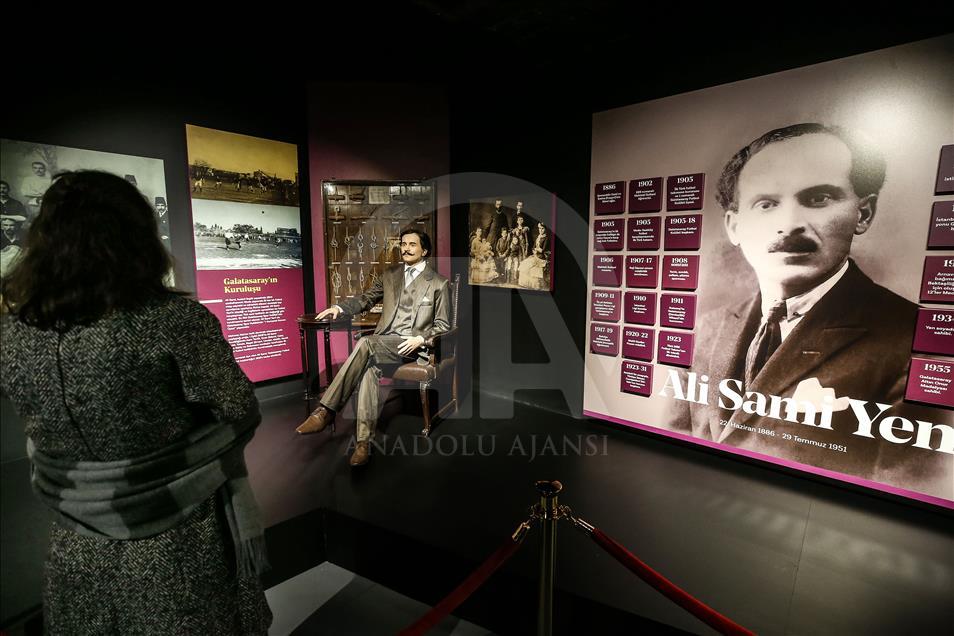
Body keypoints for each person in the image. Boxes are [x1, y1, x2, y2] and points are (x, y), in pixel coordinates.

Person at [0, 171, 271, 634]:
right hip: (175, 538)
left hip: (75, 545)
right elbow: (237, 406)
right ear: (136, 237)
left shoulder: (14, 332)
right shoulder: (173, 321)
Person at [666, 123, 950, 487]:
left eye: (818, 199)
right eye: (766, 204)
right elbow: (672, 447)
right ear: (734, 227)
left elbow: (914, 487)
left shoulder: (916, 345)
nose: (789, 225)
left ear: (862, 214)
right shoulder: (705, 328)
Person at [296, 229, 450, 466]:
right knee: (368, 369)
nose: (406, 248)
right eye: (403, 244)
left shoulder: (438, 283)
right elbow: (365, 299)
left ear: (425, 250)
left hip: (413, 347)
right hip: (385, 342)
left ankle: (325, 411)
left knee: (366, 343)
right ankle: (363, 443)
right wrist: (339, 308)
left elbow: (443, 325)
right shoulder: (389, 275)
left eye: (412, 244)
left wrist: (421, 339)